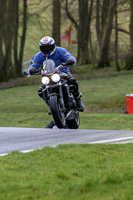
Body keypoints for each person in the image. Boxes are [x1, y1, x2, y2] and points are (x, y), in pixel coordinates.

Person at [28, 36, 85, 128]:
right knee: (40, 91)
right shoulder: (38, 56)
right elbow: (32, 65)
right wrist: (32, 69)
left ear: (53, 46)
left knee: (72, 81)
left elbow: (70, 57)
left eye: (48, 47)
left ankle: (78, 101)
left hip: (63, 72)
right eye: (44, 48)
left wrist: (69, 60)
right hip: (47, 76)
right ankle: (52, 106)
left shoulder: (60, 50)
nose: (46, 50)